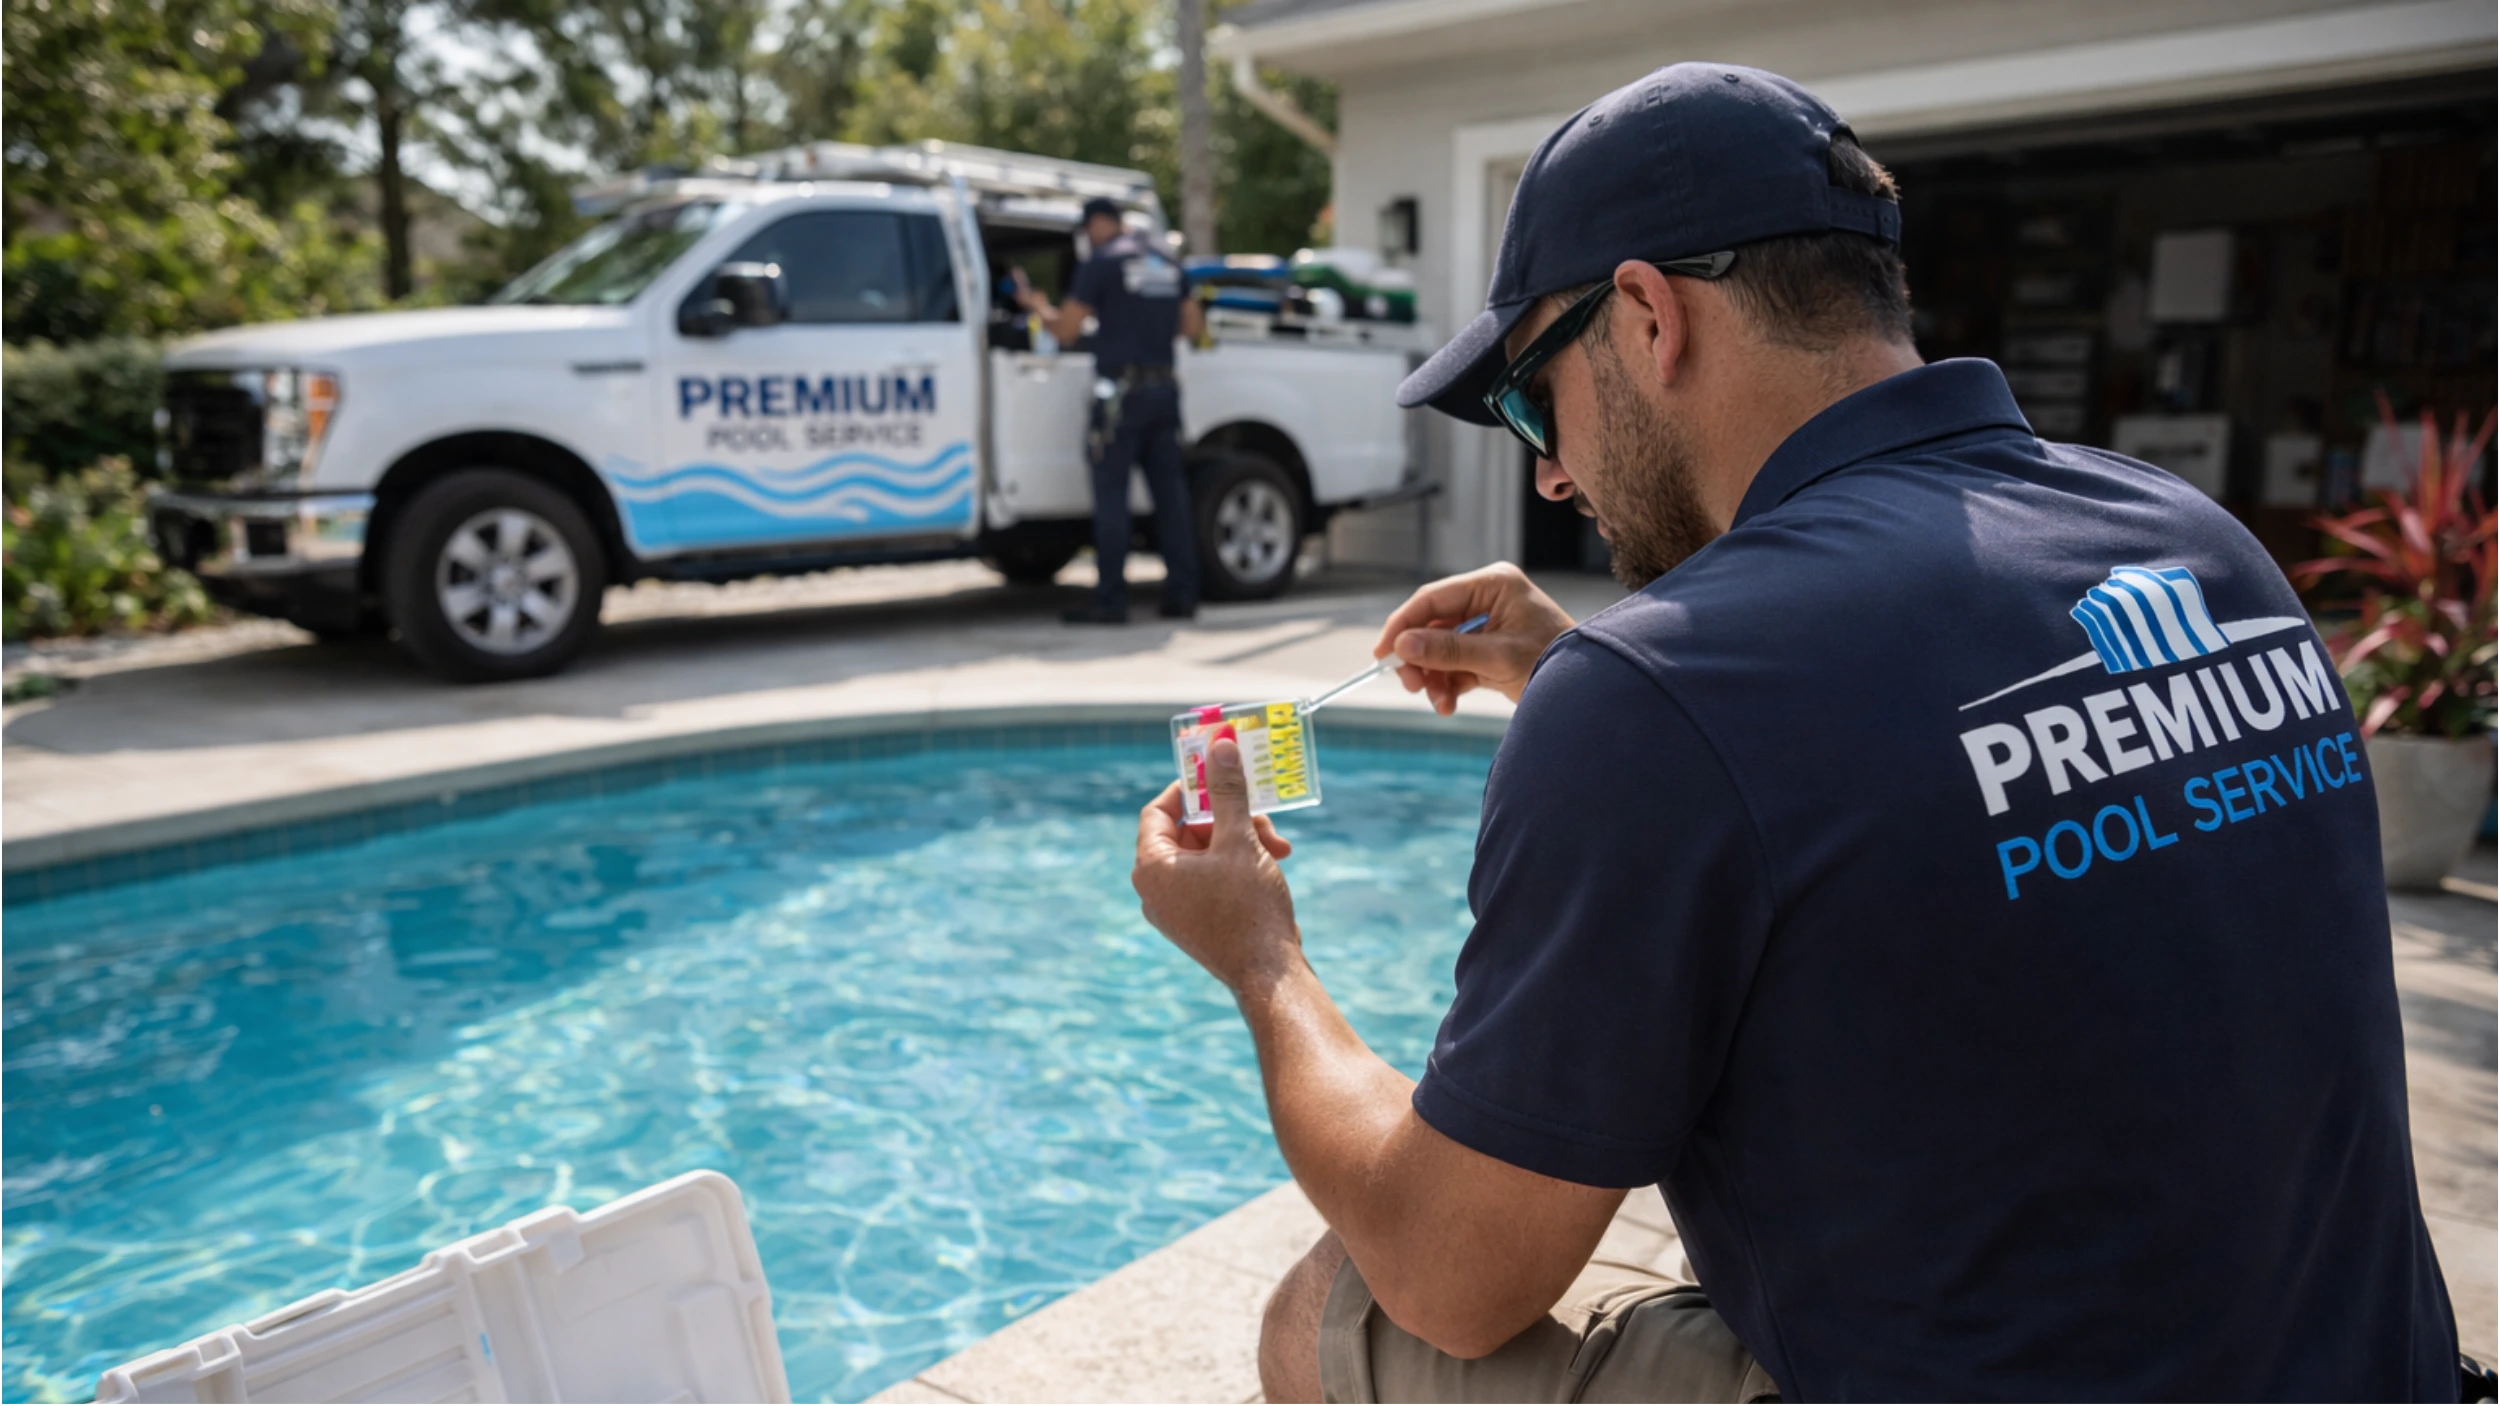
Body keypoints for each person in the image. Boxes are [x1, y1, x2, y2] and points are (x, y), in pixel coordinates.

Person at [1129, 62, 2469, 1405]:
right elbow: (1921, 768)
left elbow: (1451, 1272)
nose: (1545, 465)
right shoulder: (2196, 542)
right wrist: (1589, 676)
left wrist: (1261, 955)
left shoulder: (1668, 692)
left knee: (1335, 1311)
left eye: (1535, 394)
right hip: (2360, 1367)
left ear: (1649, 316)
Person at [1015, 196, 1204, 624]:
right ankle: (1182, 595)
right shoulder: (1166, 259)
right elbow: (1192, 326)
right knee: (1171, 499)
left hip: (1120, 396)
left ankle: (1111, 600)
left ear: (1101, 223)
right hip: (1164, 391)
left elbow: (1066, 330)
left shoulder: (1102, 263)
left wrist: (1037, 307)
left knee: (1113, 496)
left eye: (1087, 231)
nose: (1086, 240)